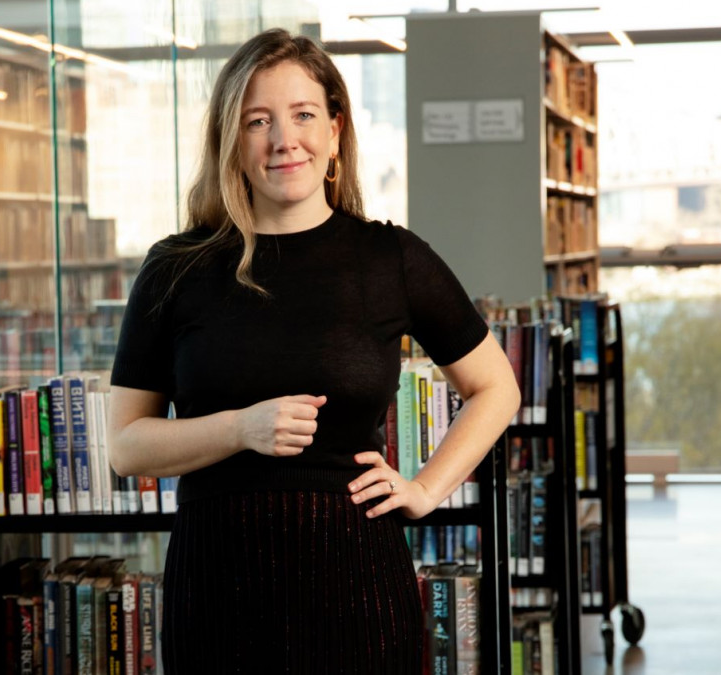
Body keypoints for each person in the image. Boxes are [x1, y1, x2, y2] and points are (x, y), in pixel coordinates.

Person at [107, 28, 520, 673]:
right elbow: (126, 445)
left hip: (359, 583)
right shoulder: (176, 268)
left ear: (334, 128)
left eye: (302, 115)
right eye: (257, 121)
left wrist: (424, 489)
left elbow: (497, 387)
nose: (283, 140)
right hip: (217, 588)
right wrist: (242, 428)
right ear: (231, 140)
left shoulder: (392, 259)